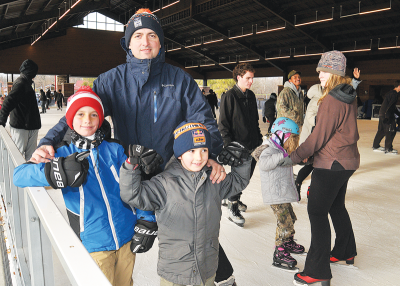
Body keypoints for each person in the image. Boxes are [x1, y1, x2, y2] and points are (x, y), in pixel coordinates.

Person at [30, 8, 238, 286]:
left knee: (193, 231)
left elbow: (205, 122)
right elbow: (82, 115)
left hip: (174, 174)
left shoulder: (180, 81)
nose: (145, 41)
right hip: (132, 172)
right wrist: (48, 143)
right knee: (120, 237)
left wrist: (209, 154)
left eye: (152, 35)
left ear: (160, 43)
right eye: (138, 35)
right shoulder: (111, 81)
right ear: (128, 43)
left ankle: (223, 278)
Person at [13, 86, 155, 286]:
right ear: (70, 119)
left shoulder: (114, 149)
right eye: (80, 114)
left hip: (126, 237)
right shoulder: (61, 153)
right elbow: (18, 176)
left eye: (93, 114)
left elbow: (134, 186)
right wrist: (55, 171)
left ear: (100, 118)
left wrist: (146, 219)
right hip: (93, 243)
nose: (87, 120)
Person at [120, 122, 252, 286]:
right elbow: (132, 194)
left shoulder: (213, 180)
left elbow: (238, 181)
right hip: (175, 273)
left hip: (207, 269)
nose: (199, 157)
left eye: (204, 150)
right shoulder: (165, 183)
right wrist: (132, 165)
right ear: (180, 154)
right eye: (191, 151)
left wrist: (244, 160)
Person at [278, 50, 360, 285]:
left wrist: (295, 156)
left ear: (333, 72)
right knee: (336, 206)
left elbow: (317, 138)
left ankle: (317, 270)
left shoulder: (332, 99)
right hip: (347, 161)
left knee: (317, 211)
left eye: (323, 71)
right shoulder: (348, 94)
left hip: (332, 163)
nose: (320, 76)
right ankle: (345, 251)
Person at [295, 68, 362, 200]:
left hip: (323, 140)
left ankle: (311, 187)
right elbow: (310, 117)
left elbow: (348, 92)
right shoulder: (318, 99)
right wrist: (326, 121)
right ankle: (298, 182)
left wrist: (355, 81)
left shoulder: (333, 97)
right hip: (312, 137)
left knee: (316, 166)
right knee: (311, 165)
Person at [252, 117, 305, 272]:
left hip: (282, 192)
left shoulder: (279, 148)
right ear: (281, 135)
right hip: (275, 194)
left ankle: (287, 241)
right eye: (290, 139)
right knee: (284, 222)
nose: (291, 142)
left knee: (290, 217)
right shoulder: (269, 149)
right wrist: (283, 155)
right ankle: (279, 251)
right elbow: (264, 163)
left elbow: (287, 162)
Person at [218, 63, 262, 227]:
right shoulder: (229, 96)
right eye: (248, 78)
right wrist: (230, 147)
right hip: (238, 147)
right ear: (239, 77)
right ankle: (233, 206)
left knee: (246, 177)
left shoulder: (250, 96)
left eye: (252, 78)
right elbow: (223, 125)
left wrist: (259, 140)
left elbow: (255, 122)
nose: (251, 81)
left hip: (253, 145)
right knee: (239, 178)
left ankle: (233, 197)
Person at [0, 59, 41, 160]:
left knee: (31, 157)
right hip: (22, 126)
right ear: (31, 72)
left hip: (29, 126)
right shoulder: (21, 84)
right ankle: (18, 174)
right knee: (18, 155)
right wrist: (2, 120)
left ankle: (28, 175)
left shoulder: (25, 83)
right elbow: (8, 101)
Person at [372, 80, 400, 154]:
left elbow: (391, 106)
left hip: (382, 113)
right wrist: (387, 116)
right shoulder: (394, 94)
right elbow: (390, 106)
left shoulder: (390, 93)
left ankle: (375, 146)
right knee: (391, 131)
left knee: (381, 130)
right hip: (387, 115)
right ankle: (388, 148)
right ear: (399, 86)